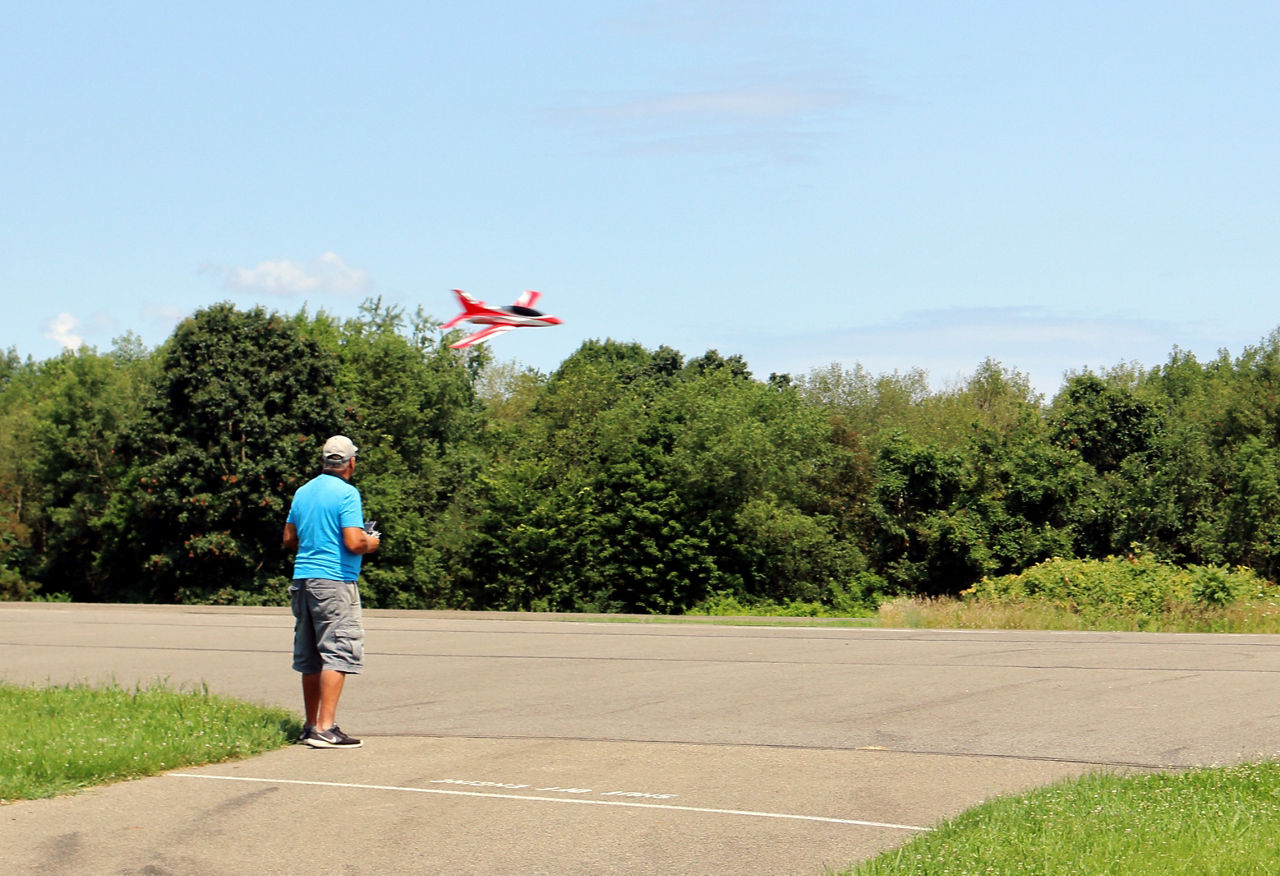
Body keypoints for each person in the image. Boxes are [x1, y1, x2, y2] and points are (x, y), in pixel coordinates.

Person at [282, 435, 380, 749]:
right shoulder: (347, 494)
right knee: (338, 649)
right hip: (334, 581)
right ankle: (326, 728)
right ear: (351, 462)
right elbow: (353, 542)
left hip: (303, 580)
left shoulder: (303, 491)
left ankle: (310, 725)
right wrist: (370, 542)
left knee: (310, 654)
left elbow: (288, 538)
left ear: (325, 461)